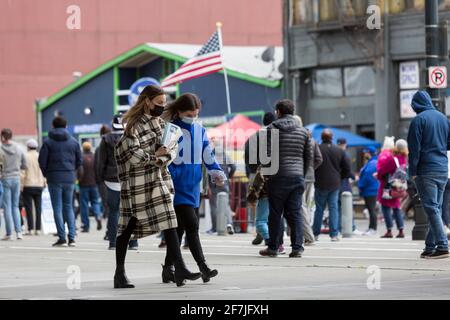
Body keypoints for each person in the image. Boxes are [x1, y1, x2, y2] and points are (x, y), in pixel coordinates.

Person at [114, 85, 201, 288]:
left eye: (163, 103)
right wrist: (156, 157)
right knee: (127, 228)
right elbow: (133, 155)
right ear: (147, 101)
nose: (162, 107)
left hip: (158, 180)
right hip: (137, 184)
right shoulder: (132, 126)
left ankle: (178, 268)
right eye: (159, 103)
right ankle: (119, 273)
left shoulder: (161, 124)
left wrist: (161, 158)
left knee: (170, 220)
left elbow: (172, 148)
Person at [162, 93, 221, 283]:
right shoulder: (170, 130)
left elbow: (207, 153)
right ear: (179, 112)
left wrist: (216, 171)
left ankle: (169, 269)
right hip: (177, 187)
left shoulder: (199, 129)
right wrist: (175, 176)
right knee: (193, 226)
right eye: (190, 113)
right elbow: (165, 159)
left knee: (178, 231)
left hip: (194, 186)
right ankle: (203, 266)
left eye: (196, 113)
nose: (193, 117)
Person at [259, 99, 312, 258]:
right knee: (294, 212)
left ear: (278, 112)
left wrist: (267, 176)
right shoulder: (303, 132)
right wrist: (300, 173)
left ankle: (273, 247)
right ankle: (297, 247)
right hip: (297, 177)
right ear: (293, 112)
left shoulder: (270, 129)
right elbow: (308, 157)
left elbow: (264, 157)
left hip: (277, 176)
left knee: (275, 213)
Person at [407, 90, 450, 259]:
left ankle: (442, 245)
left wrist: (413, 171)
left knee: (431, 208)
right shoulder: (443, 118)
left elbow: (414, 149)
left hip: (426, 169)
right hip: (442, 168)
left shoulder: (418, 120)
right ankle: (430, 246)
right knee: (436, 208)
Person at [96, 114, 138, 250]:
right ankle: (133, 243)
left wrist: (100, 178)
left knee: (113, 212)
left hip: (111, 180)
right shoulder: (132, 138)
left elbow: (101, 162)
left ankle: (113, 243)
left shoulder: (105, 139)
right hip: (130, 179)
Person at [38, 116, 82, 247]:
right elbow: (79, 161)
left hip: (54, 178)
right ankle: (72, 238)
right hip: (69, 178)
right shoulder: (74, 142)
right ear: (66, 126)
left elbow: (42, 161)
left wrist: (47, 174)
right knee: (69, 207)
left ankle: (62, 238)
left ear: (52, 126)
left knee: (57, 207)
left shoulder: (48, 142)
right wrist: (72, 172)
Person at [313, 129, 351, 242]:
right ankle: (334, 234)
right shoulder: (339, 150)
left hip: (320, 182)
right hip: (335, 183)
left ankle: (315, 233)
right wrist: (340, 177)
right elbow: (347, 167)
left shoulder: (318, 149)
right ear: (332, 137)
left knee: (319, 209)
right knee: (333, 208)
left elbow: (312, 164)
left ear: (321, 137)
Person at [245, 111, 276, 245]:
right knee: (271, 204)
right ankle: (268, 232)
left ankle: (260, 232)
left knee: (255, 201)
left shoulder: (254, 136)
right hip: (273, 173)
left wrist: (253, 170)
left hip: (256, 173)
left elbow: (247, 155)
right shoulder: (277, 136)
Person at [376, 137, 407, 239]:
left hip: (388, 187)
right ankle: (401, 230)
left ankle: (389, 230)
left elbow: (382, 171)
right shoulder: (404, 159)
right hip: (399, 187)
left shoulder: (393, 158)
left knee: (385, 207)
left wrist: (378, 175)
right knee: (397, 208)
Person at [1, 129, 27, 241]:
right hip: (17, 178)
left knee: (7, 206)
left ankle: (9, 233)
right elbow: (24, 164)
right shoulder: (19, 148)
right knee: (15, 206)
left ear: (3, 137)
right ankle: (19, 232)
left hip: (5, 178)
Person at [207, 140, 236, 235]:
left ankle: (215, 227)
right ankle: (229, 224)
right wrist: (229, 177)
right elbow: (234, 167)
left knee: (214, 206)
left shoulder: (211, 157)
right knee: (226, 204)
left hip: (214, 184)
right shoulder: (225, 156)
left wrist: (208, 186)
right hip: (225, 183)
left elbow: (208, 171)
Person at [21, 139, 46, 236]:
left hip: (28, 184)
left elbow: (23, 172)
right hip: (39, 184)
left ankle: (30, 228)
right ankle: (38, 229)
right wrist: (44, 182)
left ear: (28, 147)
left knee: (29, 207)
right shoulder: (40, 155)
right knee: (38, 207)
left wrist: (21, 185)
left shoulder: (25, 156)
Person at [302, 129, 322, 245]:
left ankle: (302, 233)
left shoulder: (300, 140)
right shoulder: (313, 142)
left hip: (299, 175)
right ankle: (307, 233)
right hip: (310, 176)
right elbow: (319, 159)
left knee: (300, 205)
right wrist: (311, 168)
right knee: (307, 205)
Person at [78, 141, 102, 233]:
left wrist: (79, 180)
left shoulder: (81, 158)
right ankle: (98, 215)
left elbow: (80, 171)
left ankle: (86, 225)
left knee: (84, 205)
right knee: (95, 202)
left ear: (83, 148)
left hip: (84, 185)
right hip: (94, 184)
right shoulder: (95, 157)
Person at [95, 124, 112, 241]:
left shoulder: (101, 146)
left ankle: (109, 232)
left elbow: (98, 165)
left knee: (109, 207)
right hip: (119, 179)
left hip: (105, 180)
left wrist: (99, 179)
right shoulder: (119, 140)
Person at [358, 146, 379, 236]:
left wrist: (360, 185)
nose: (364, 154)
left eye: (366, 152)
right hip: (370, 189)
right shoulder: (372, 162)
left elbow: (367, 177)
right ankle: (371, 227)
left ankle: (373, 229)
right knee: (371, 210)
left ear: (369, 153)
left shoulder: (372, 163)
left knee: (371, 210)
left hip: (370, 190)